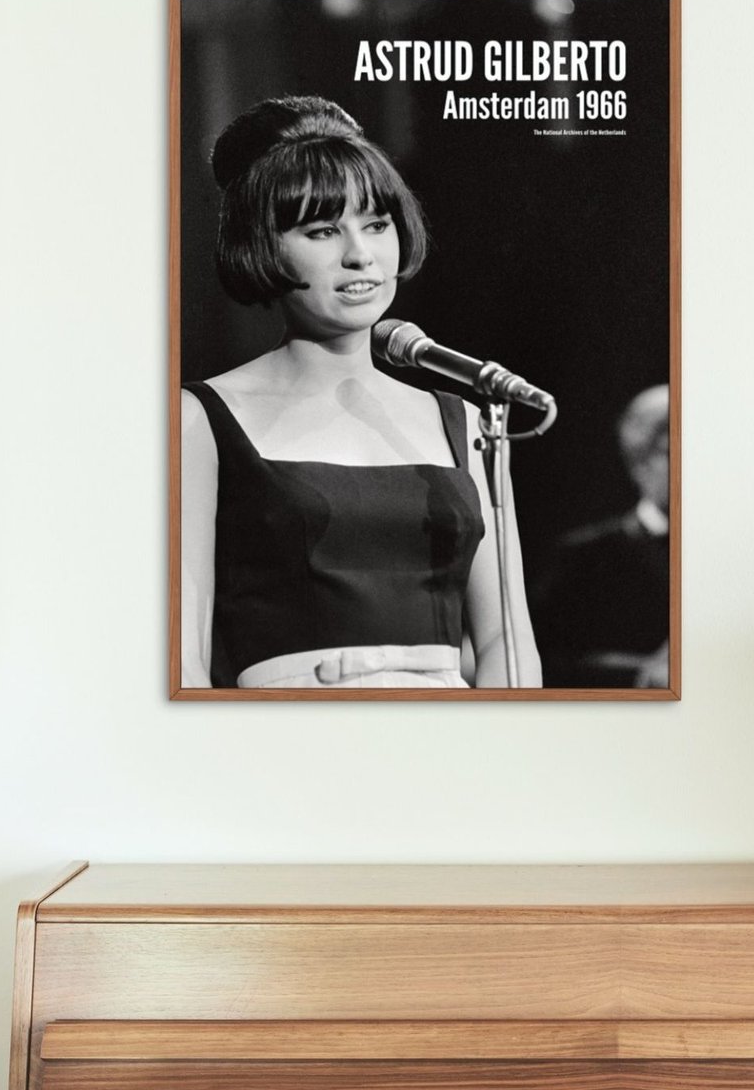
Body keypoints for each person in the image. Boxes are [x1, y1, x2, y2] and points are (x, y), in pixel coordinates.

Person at [180, 95, 540, 690]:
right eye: (323, 230)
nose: (360, 255)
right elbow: (183, 656)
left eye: (376, 225)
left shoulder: (468, 420)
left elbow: (505, 637)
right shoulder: (201, 419)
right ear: (262, 246)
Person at [532, 384, 670, 688]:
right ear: (639, 462)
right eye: (673, 452)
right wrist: (641, 674)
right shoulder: (585, 557)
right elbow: (540, 660)